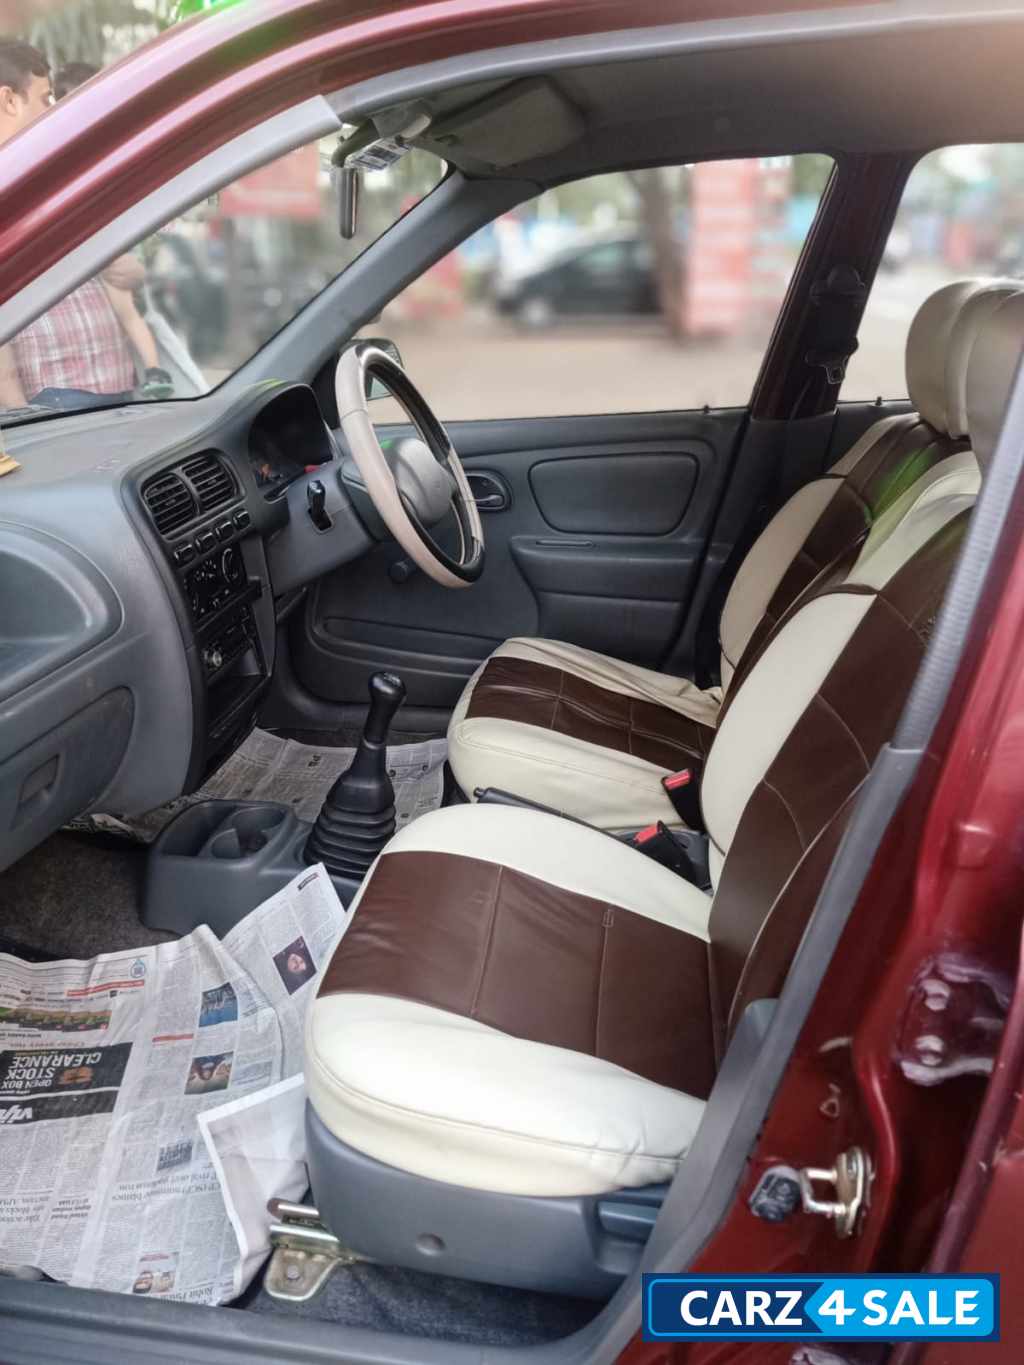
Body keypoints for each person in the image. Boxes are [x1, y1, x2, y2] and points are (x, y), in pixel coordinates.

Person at [0, 39, 173, 410]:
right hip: (54, 394)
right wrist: (18, 414)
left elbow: (103, 257)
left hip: (114, 377)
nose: (52, 111)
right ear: (9, 100)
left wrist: (132, 270)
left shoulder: (46, 174)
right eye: (45, 98)